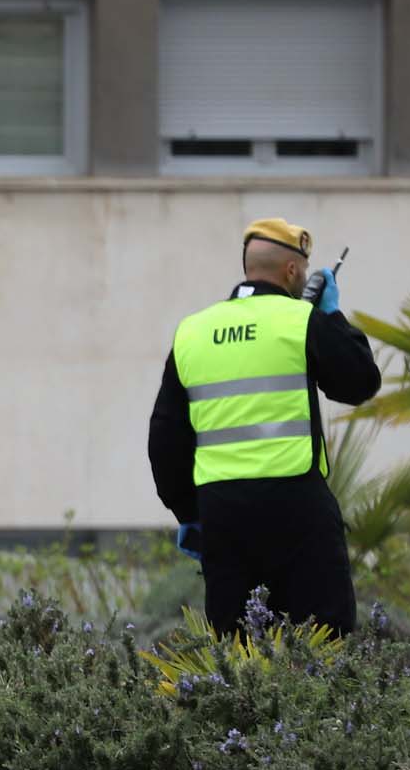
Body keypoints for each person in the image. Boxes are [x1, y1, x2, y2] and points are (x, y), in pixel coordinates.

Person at [146, 218, 381, 635]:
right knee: (321, 643)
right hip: (297, 509)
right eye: (303, 272)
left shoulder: (192, 332)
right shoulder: (300, 320)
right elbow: (360, 382)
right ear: (292, 271)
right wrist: (332, 316)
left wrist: (190, 512)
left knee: (237, 652)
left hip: (223, 514)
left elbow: (165, 438)